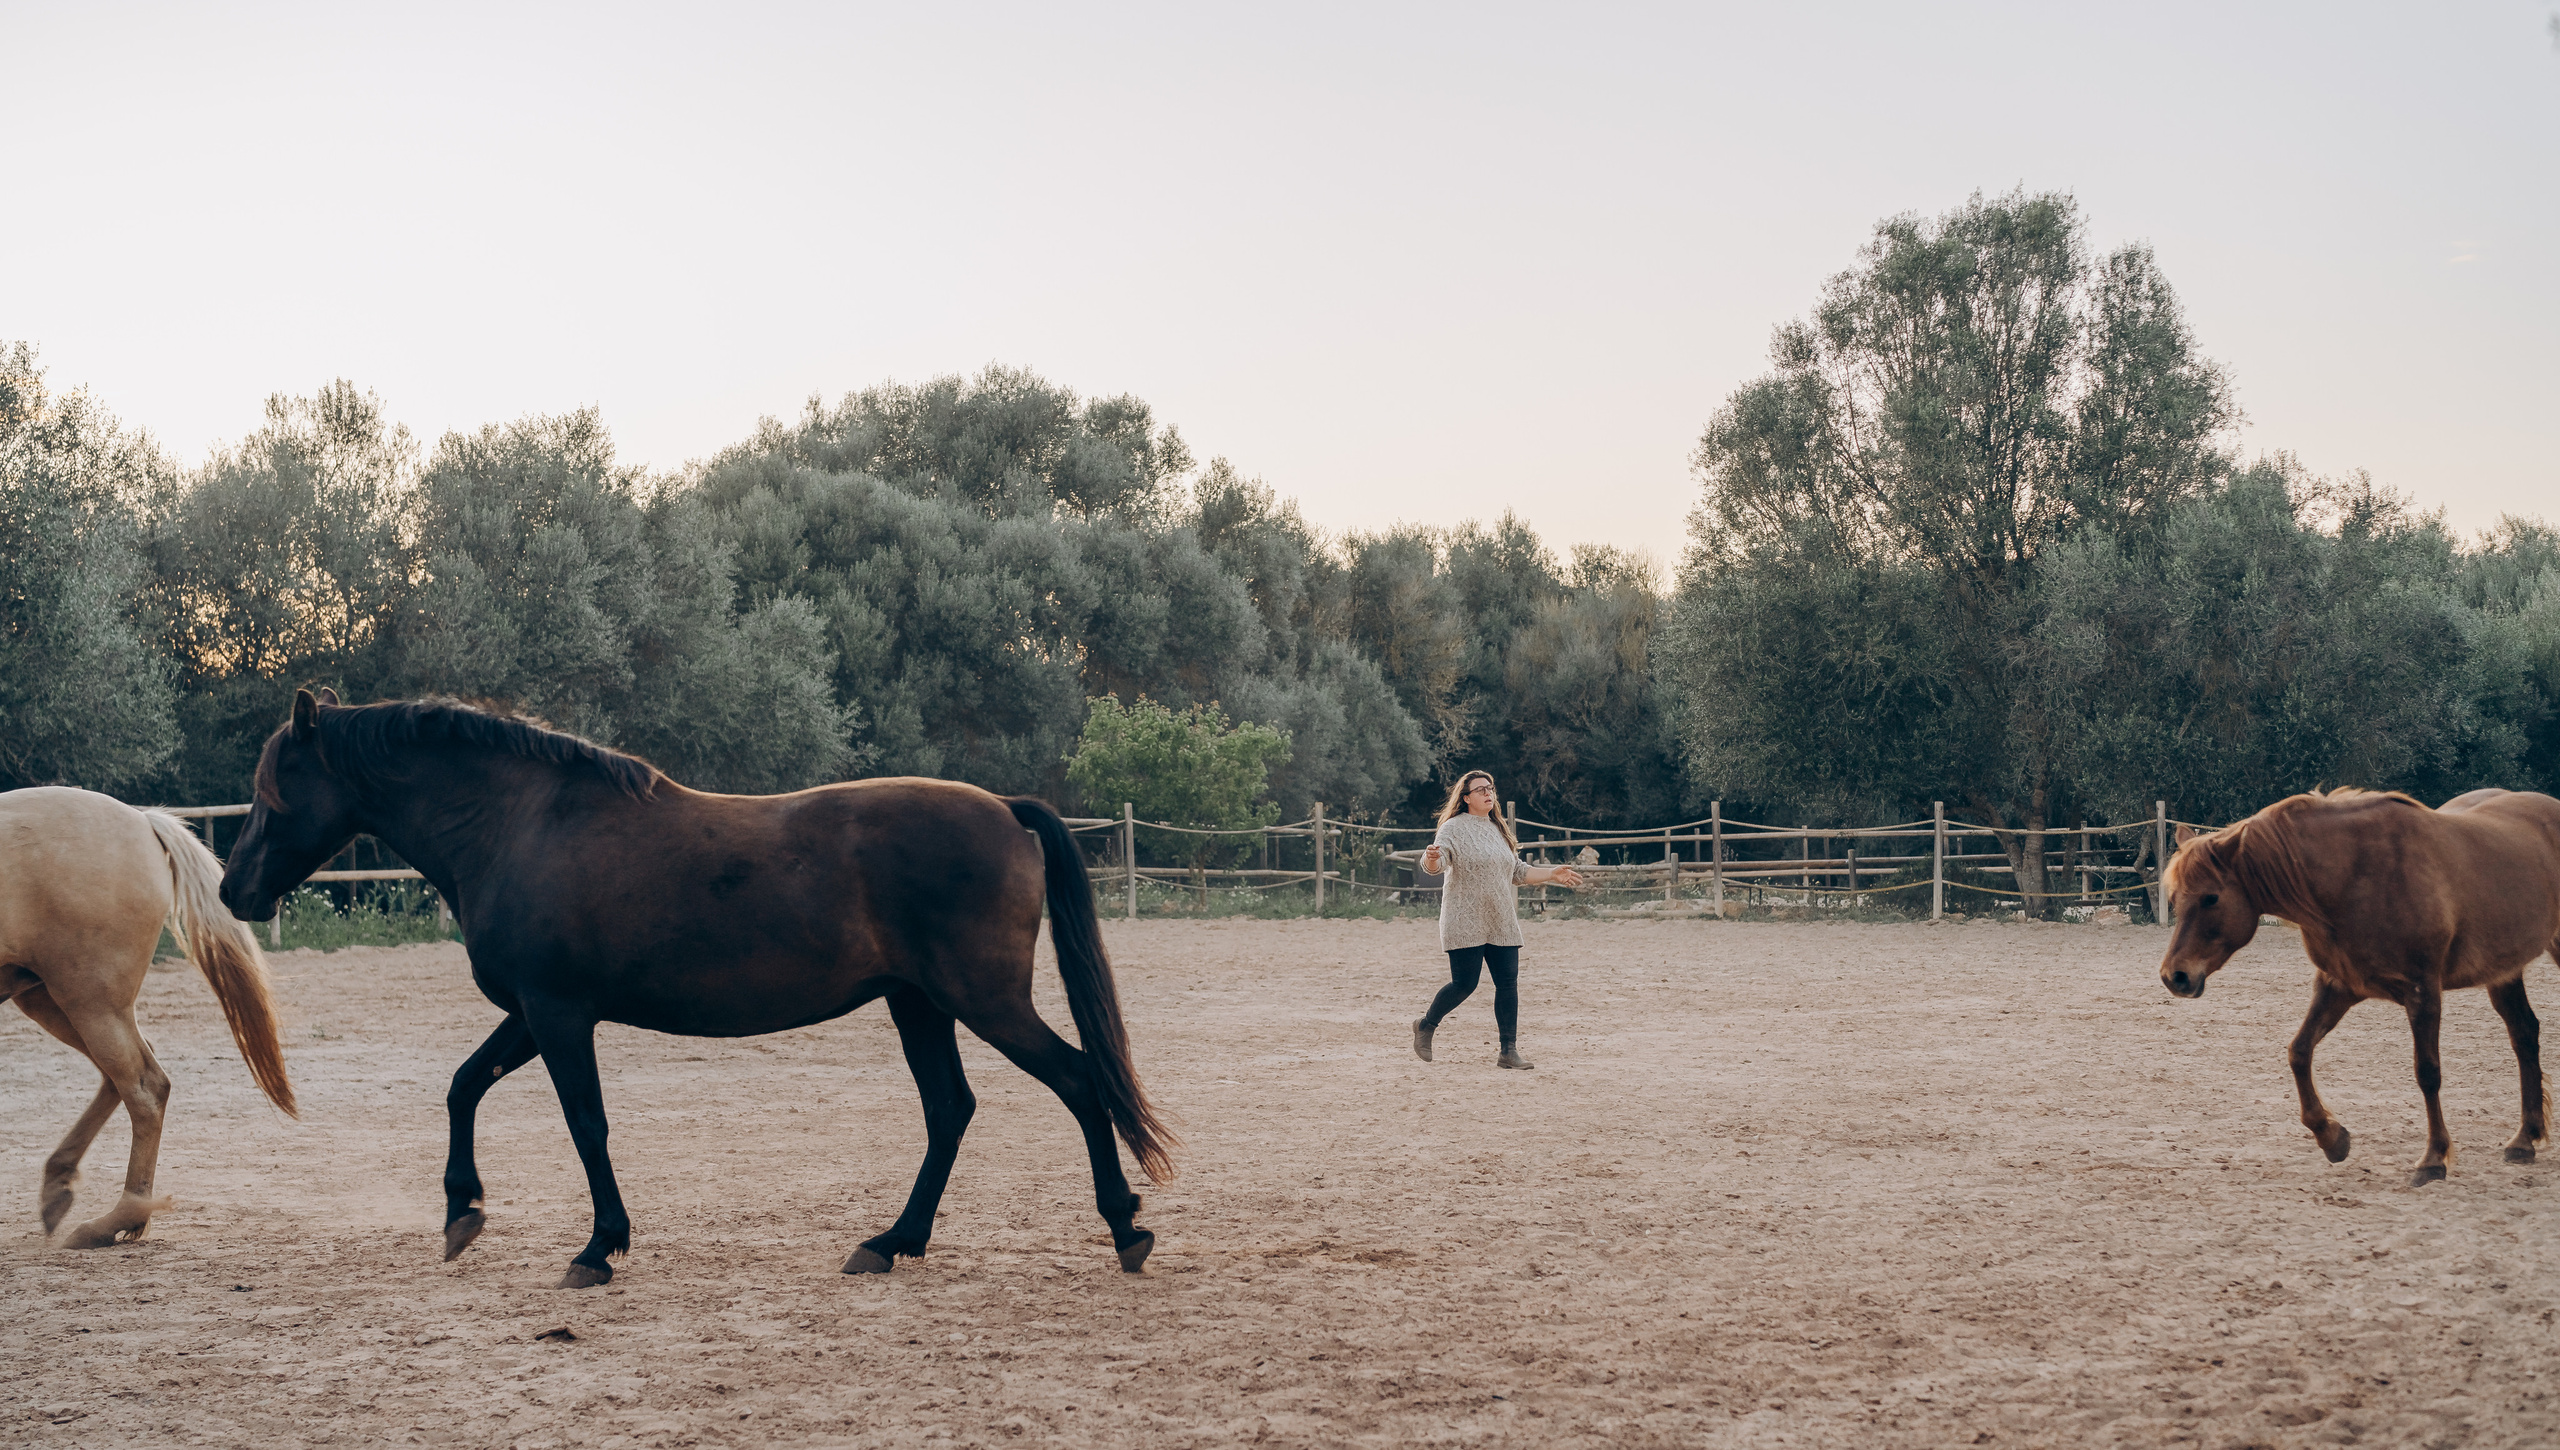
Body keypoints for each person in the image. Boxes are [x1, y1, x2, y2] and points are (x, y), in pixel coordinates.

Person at [1411, 771, 1584, 1069]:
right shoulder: (1452, 828)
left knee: (1507, 983)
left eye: (1490, 788)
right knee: (1464, 984)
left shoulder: (1497, 828)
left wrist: (1552, 874)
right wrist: (1431, 857)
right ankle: (1426, 1025)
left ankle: (1508, 1051)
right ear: (1466, 798)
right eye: (1480, 789)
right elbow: (1436, 864)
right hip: (1464, 918)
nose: (1488, 793)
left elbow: (1517, 872)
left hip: (1501, 918)